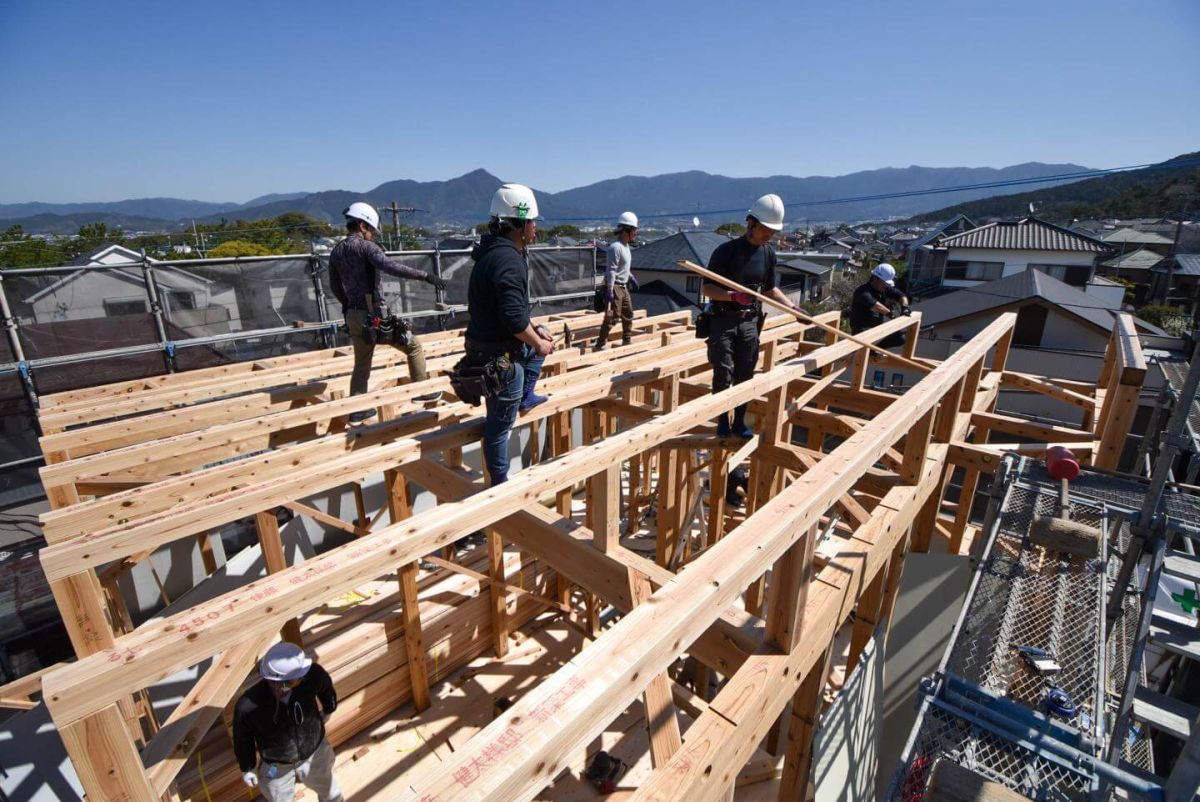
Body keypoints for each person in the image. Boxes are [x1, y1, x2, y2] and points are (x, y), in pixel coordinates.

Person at [464, 183, 556, 485]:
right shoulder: (508, 259)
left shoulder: (492, 253)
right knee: (500, 425)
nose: (535, 228)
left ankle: (525, 396)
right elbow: (514, 319)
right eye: (532, 222)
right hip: (499, 358)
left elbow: (510, 310)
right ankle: (499, 483)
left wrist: (535, 330)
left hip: (485, 346)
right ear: (519, 223)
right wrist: (538, 342)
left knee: (537, 342)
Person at [329, 201, 447, 424]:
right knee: (413, 346)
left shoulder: (337, 251)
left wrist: (346, 306)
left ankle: (357, 409)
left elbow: (334, 286)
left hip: (353, 315)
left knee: (362, 362)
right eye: (372, 230)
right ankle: (422, 389)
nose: (372, 234)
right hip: (373, 315)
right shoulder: (366, 248)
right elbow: (390, 266)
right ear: (363, 226)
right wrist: (425, 276)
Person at [703, 193, 798, 438]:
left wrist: (793, 309)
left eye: (773, 231)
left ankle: (739, 422)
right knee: (723, 372)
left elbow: (770, 289)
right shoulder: (726, 252)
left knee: (745, 372)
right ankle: (723, 421)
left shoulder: (768, 254)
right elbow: (707, 288)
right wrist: (732, 296)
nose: (769, 234)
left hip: (749, 321)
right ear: (751, 222)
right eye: (766, 228)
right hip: (724, 319)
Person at [233, 643, 342, 802]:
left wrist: (329, 708)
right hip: (276, 766)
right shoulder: (248, 706)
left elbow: (325, 686)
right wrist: (247, 767)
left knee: (330, 792)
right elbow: (242, 738)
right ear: (280, 682)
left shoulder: (311, 676)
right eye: (297, 678)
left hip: (314, 752)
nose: (303, 678)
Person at [594, 211, 639, 350]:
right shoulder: (615, 247)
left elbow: (623, 267)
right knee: (613, 317)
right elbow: (612, 270)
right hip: (615, 287)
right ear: (626, 230)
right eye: (634, 230)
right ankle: (600, 344)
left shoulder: (626, 247)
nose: (636, 233)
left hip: (623, 287)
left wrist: (631, 277)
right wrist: (609, 290)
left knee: (628, 314)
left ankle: (626, 340)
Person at [849, 263, 910, 347]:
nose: (886, 285)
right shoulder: (862, 291)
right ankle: (867, 350)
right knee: (867, 340)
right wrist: (891, 314)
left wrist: (905, 307)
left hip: (877, 329)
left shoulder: (884, 287)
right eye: (884, 282)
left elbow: (901, 296)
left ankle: (872, 351)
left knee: (900, 338)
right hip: (862, 331)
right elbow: (875, 305)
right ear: (875, 278)